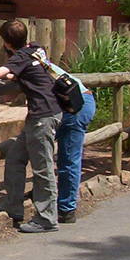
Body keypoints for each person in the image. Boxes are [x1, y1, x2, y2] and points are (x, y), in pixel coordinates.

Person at [0, 19, 62, 233]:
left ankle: (47, 218)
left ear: (7, 43)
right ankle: (13, 206)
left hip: (43, 116)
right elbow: (23, 71)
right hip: (44, 114)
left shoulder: (20, 56)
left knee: (42, 168)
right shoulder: (35, 49)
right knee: (15, 158)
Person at [32, 48, 96, 222]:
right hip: (77, 102)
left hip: (76, 107)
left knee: (68, 158)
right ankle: (55, 200)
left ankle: (67, 208)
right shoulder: (42, 62)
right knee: (51, 153)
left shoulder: (32, 64)